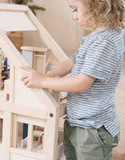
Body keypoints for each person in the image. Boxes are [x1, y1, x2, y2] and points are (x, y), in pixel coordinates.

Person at [20, 0, 125, 159]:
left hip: (92, 127)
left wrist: (42, 81)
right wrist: (46, 78)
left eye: (75, 10)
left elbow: (81, 83)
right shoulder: (98, 37)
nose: (74, 17)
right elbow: (72, 62)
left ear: (96, 6)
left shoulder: (104, 42)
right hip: (79, 122)